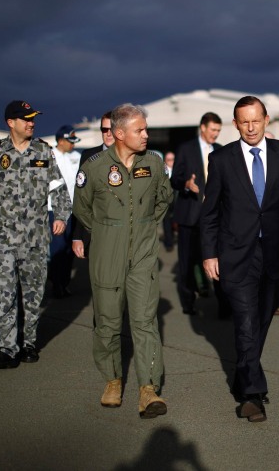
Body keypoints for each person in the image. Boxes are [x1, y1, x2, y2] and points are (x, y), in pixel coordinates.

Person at [201, 96, 279, 423]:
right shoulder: (222, 159)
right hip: (235, 254)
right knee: (244, 321)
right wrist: (209, 253)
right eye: (244, 121)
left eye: (256, 120)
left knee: (261, 320)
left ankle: (246, 373)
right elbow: (210, 211)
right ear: (236, 124)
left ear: (266, 119)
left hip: (274, 251)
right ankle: (252, 394)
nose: (251, 127)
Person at [73, 103, 173, 417]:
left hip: (143, 252)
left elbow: (163, 200)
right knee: (108, 322)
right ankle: (113, 380)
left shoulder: (154, 164)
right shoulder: (94, 167)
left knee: (144, 321)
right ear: (119, 134)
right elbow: (82, 209)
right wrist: (107, 232)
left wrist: (142, 227)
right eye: (139, 130)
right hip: (106, 253)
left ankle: (148, 389)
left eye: (145, 129)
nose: (146, 135)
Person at [0, 100, 71, 369]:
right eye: (26, 119)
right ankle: (5, 348)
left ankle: (28, 344)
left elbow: (59, 189)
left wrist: (61, 216)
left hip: (35, 238)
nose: (31, 123)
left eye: (33, 118)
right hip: (2, 237)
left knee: (33, 295)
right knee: (4, 295)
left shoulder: (43, 152)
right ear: (10, 122)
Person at [171, 112, 230, 318]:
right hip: (190, 216)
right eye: (213, 130)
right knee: (187, 263)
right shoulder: (186, 149)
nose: (215, 134)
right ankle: (189, 303)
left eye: (218, 131)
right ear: (202, 127)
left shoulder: (221, 151)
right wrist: (186, 184)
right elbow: (175, 179)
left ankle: (224, 306)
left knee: (219, 262)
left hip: (215, 218)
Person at [72, 111, 114, 259]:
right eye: (104, 129)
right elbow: (82, 198)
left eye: (112, 129)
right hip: (94, 231)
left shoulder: (133, 157)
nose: (108, 134)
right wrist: (77, 237)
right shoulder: (88, 156)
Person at [49, 125, 81, 298]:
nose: (73, 145)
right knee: (58, 247)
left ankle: (64, 282)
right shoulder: (49, 156)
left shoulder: (75, 157)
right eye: (70, 141)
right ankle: (56, 283)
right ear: (61, 141)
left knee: (70, 248)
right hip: (53, 211)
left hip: (73, 209)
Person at [162, 151, 176, 252]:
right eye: (169, 160)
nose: (171, 162)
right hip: (166, 201)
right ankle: (169, 243)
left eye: (173, 159)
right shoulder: (163, 171)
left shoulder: (179, 170)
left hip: (177, 201)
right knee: (166, 222)